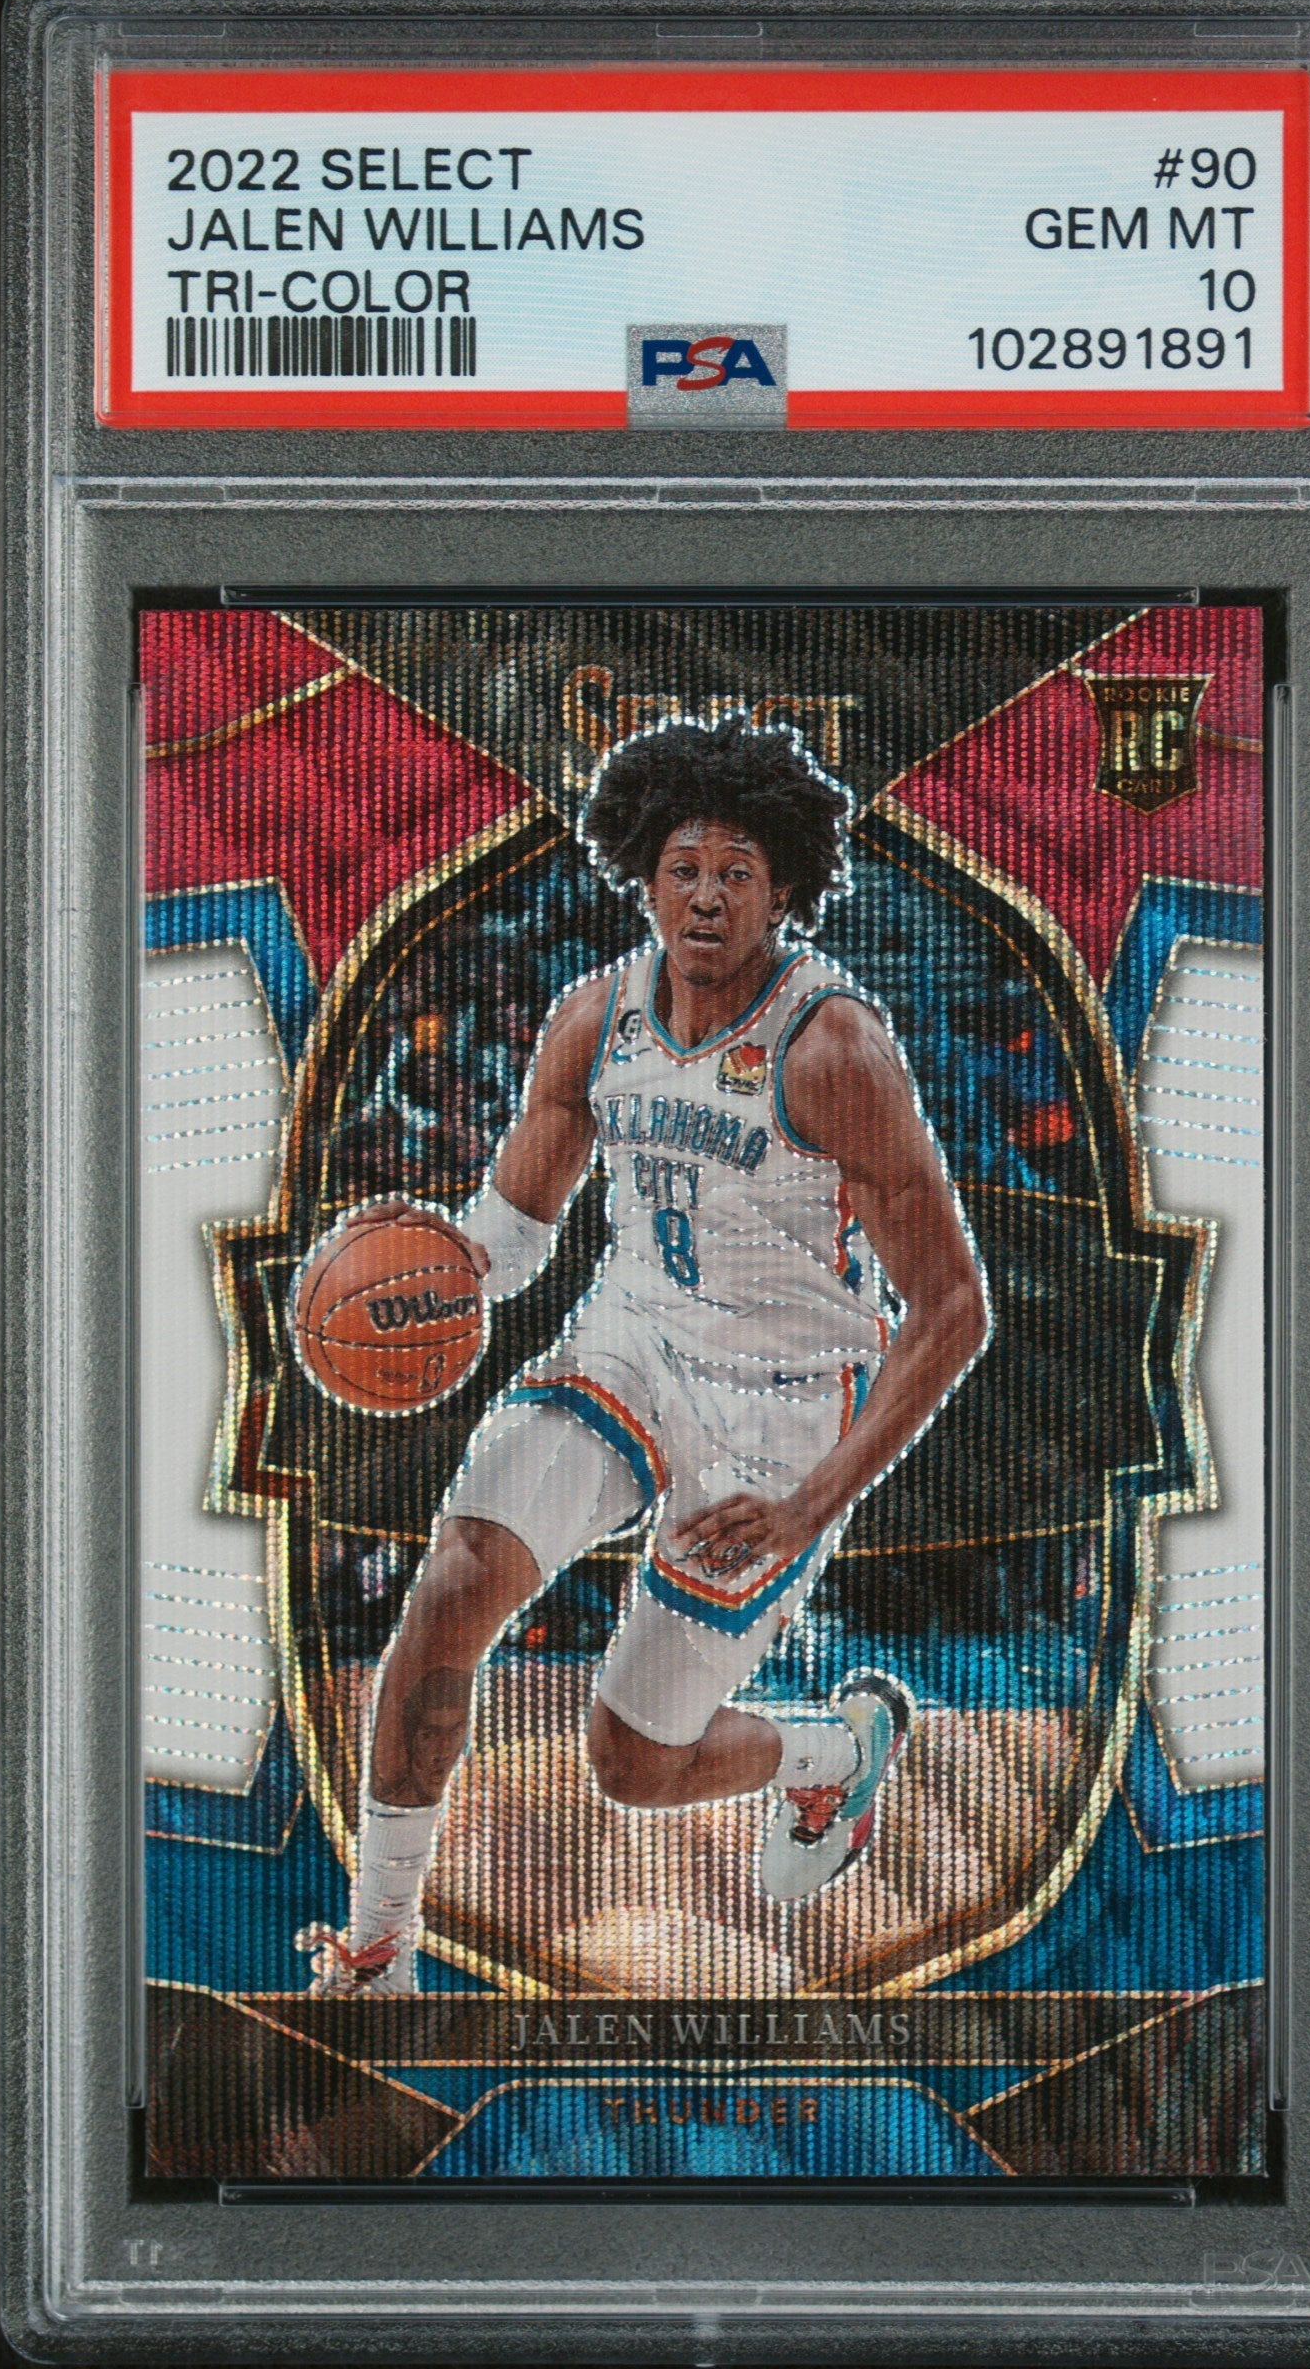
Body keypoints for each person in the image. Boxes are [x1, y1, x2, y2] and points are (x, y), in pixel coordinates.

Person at [297, 716, 990, 1996]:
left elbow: (952, 1307)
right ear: (645, 877)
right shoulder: (596, 1017)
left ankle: (830, 1754)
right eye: (684, 868)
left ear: (781, 889)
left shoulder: (831, 1048)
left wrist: (808, 1504)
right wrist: (416, 1277)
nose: (707, 896)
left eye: (737, 871)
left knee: (633, 1767)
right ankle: (380, 1942)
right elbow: (509, 1238)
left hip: (783, 1408)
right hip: (629, 1345)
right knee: (454, 1582)